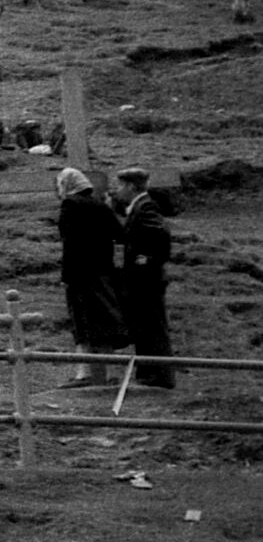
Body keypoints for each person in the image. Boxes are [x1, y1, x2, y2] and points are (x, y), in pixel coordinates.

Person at [54, 167, 127, 388]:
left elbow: (70, 243)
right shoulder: (100, 205)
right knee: (104, 320)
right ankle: (112, 373)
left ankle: (83, 373)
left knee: (82, 322)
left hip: (80, 274)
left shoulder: (70, 205)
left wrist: (66, 274)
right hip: (103, 272)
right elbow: (119, 234)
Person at [112, 166, 175, 389]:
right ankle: (149, 371)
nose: (117, 190)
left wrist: (144, 260)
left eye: (120, 185)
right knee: (145, 327)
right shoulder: (138, 206)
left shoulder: (145, 207)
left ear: (130, 186)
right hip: (144, 279)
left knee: (152, 327)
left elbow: (160, 237)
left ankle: (159, 374)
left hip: (147, 280)